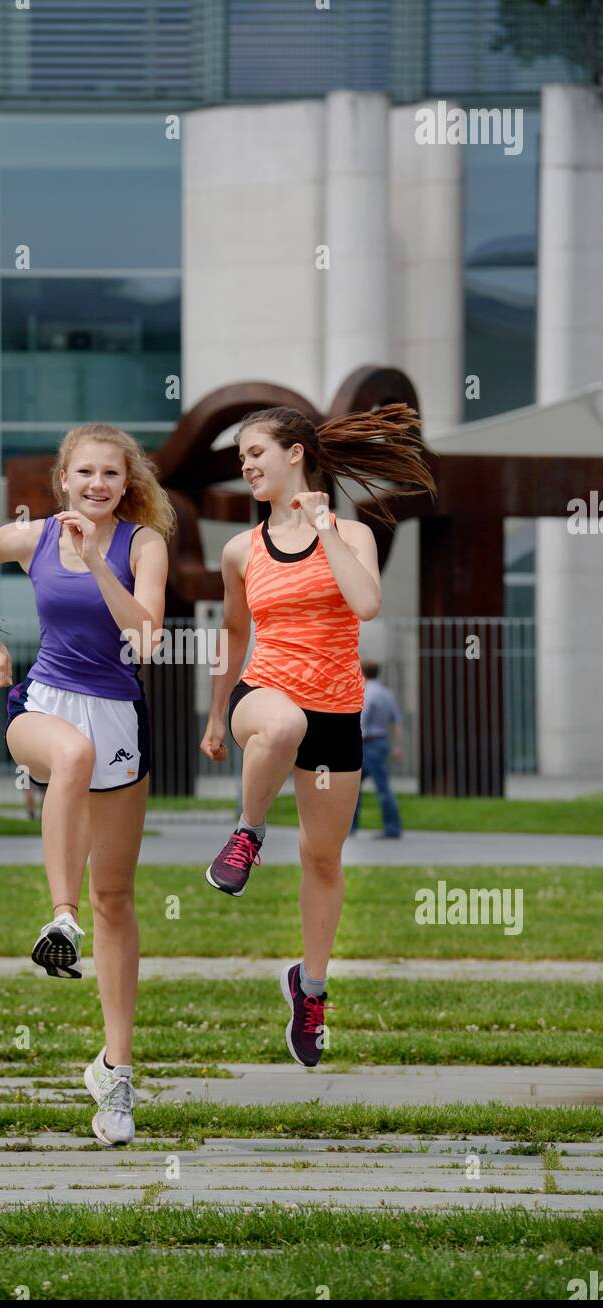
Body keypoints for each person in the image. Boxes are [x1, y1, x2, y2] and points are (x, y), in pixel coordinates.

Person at [200, 405, 435, 1067]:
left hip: (337, 712)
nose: (246, 465)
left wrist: (326, 527)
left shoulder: (351, 535)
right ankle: (247, 833)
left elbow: (365, 605)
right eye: (242, 456)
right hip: (266, 695)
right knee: (281, 724)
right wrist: (218, 714)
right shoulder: (241, 550)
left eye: (255, 452)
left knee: (325, 859)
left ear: (296, 454)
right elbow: (234, 634)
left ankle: (311, 987)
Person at [0, 424, 172, 1144]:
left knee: (116, 897)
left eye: (110, 475)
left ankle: (115, 1077)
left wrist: (97, 564)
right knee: (72, 756)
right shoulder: (34, 537)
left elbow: (145, 637)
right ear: (63, 478)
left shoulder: (143, 544)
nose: (96, 484)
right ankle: (60, 916)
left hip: (120, 717)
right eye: (84, 472)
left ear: (126, 483)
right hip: (43, 706)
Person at [351, 661, 404, 839]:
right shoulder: (386, 693)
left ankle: (391, 828)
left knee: (359, 786)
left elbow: (361, 721)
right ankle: (354, 826)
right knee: (371, 786)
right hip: (382, 742)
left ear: (362, 673)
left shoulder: (366, 693)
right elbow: (396, 721)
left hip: (368, 744)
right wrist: (398, 746)